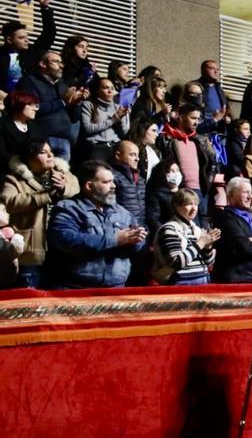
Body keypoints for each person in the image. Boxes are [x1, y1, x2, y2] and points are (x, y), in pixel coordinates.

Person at [45, 161, 146, 289]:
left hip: (116, 288)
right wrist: (115, 239)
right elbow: (64, 239)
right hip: (76, 289)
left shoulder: (122, 212)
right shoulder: (68, 208)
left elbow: (138, 245)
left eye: (113, 181)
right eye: (106, 182)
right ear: (89, 186)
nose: (113, 186)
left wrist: (136, 240)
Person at [0, 139, 78, 287]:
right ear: (29, 158)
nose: (50, 156)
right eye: (43, 152)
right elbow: (9, 203)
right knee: (30, 295)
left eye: (51, 152)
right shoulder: (14, 180)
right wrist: (46, 196)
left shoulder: (63, 174)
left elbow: (78, 190)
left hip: (60, 246)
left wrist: (63, 189)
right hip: (32, 249)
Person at [18, 50, 86, 162]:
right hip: (42, 140)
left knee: (61, 178)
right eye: (56, 62)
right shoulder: (30, 82)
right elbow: (32, 109)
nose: (61, 65)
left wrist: (76, 103)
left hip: (64, 140)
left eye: (61, 62)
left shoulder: (62, 85)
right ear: (43, 64)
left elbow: (74, 118)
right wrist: (62, 102)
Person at [158, 106, 216, 223]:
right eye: (193, 118)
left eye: (198, 119)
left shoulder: (201, 140)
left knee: (202, 228)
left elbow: (212, 165)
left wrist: (207, 184)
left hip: (201, 191)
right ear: (181, 117)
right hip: (181, 191)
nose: (196, 122)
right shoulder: (168, 139)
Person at [213, 177, 252, 283]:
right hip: (234, 281)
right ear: (232, 194)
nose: (250, 196)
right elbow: (243, 248)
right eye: (245, 192)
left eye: (251, 193)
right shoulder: (225, 218)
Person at [152, 188, 218, 285]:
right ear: (176, 206)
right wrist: (200, 243)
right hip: (181, 283)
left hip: (203, 281)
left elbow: (208, 263)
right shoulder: (169, 229)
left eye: (196, 204)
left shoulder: (197, 229)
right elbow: (175, 263)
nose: (194, 208)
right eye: (189, 204)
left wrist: (208, 248)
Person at [2, 0, 56, 94]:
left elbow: (49, 33)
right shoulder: (1, 55)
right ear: (9, 39)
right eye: (21, 38)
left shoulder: (32, 52)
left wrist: (44, 7)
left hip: (29, 102)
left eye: (27, 37)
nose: (27, 40)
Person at [79, 77, 130, 164]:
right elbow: (88, 128)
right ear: (97, 90)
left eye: (112, 88)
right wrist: (113, 119)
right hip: (97, 147)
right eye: (105, 88)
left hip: (115, 146)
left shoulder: (118, 107)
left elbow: (124, 132)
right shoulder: (88, 105)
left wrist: (123, 117)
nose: (110, 91)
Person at [0, 91, 46, 181]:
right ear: (19, 105)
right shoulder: (2, 125)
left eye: (36, 105)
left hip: (35, 171)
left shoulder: (36, 127)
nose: (35, 109)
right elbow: (2, 154)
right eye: (31, 105)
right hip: (8, 173)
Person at [110, 141, 146, 229]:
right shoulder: (111, 177)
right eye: (132, 155)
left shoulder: (140, 178)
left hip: (142, 230)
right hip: (124, 230)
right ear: (118, 155)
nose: (137, 159)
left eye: (138, 155)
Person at [192, 60, 230, 134]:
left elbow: (226, 107)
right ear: (203, 70)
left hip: (219, 129)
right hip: (202, 128)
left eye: (217, 70)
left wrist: (227, 117)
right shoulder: (195, 86)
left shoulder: (218, 88)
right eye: (212, 68)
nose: (216, 72)